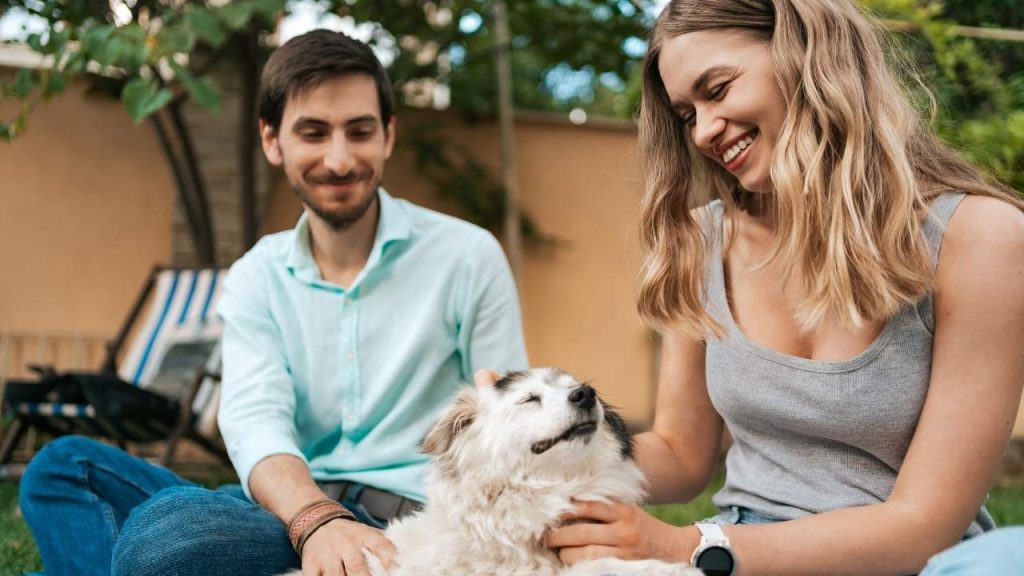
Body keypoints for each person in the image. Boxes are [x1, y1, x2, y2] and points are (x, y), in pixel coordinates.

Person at [482, 1, 1024, 575]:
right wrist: (543, 439)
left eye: (717, 89)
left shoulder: (980, 237)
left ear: (806, 55)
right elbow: (682, 453)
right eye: (687, 115)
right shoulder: (701, 242)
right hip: (742, 552)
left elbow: (923, 525)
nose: (706, 131)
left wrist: (687, 545)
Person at [18, 29, 528, 576]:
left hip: (407, 526)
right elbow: (255, 421)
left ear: (388, 136)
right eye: (313, 132)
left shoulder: (468, 256)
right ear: (272, 140)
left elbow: (505, 422)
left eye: (359, 131)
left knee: (166, 538)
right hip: (285, 508)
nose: (338, 159)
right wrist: (315, 518)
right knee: (61, 467)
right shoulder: (256, 276)